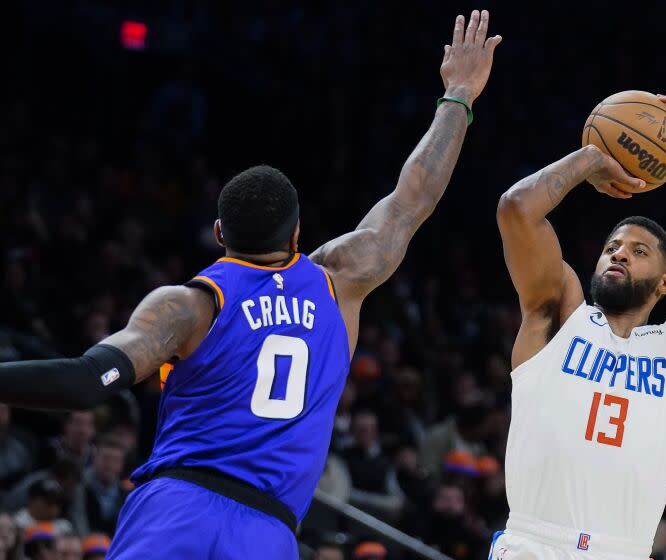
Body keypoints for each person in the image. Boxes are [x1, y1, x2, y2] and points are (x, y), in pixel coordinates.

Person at [0, 10, 502, 559]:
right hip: (267, 533)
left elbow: (83, 382)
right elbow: (413, 200)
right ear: (299, 233)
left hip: (177, 511)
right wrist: (459, 94)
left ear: (219, 233)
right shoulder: (339, 281)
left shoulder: (187, 306)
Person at [492, 96, 666, 560]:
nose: (619, 253)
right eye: (613, 246)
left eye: (638, 251)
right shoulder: (557, 314)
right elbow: (516, 210)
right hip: (532, 543)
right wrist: (591, 157)